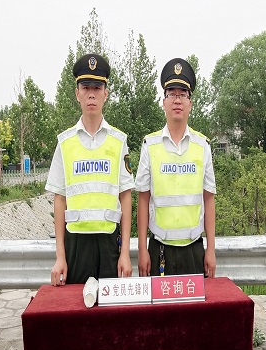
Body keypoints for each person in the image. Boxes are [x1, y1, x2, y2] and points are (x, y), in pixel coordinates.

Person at [45, 53, 134, 285]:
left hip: (109, 243)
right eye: (85, 88)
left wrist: (125, 253)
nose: (91, 94)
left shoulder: (118, 141)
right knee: (76, 305)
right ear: (77, 94)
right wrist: (60, 257)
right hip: (76, 244)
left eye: (97, 87)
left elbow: (126, 197)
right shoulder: (65, 143)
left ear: (106, 93)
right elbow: (59, 199)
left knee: (110, 306)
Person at [135, 58, 217, 278]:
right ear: (164, 101)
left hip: (194, 250)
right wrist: (142, 250)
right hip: (159, 249)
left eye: (183, 94)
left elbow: (209, 199)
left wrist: (211, 249)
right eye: (172, 94)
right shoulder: (150, 145)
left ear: (190, 103)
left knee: (195, 303)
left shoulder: (202, 146)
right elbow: (143, 199)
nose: (177, 100)